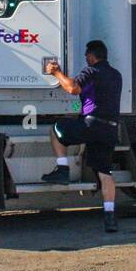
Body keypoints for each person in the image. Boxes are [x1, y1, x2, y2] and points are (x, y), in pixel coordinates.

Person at [41, 40, 124, 232]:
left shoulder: (91, 71)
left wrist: (56, 73)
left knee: (56, 129)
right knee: (105, 173)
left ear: (92, 56)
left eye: (87, 56)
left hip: (91, 124)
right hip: (110, 128)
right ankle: (110, 217)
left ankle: (62, 169)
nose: (86, 59)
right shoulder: (116, 75)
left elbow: (72, 88)